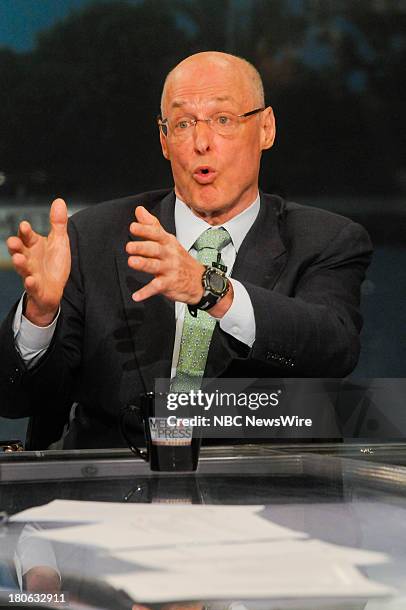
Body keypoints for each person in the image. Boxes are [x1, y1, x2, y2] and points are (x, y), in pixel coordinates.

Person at [0, 52, 372, 449]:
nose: (201, 143)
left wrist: (211, 289)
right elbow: (16, 400)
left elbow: (333, 349)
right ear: (164, 141)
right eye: (182, 124)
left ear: (266, 128)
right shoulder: (92, 237)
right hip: (113, 494)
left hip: (262, 492)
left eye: (223, 120)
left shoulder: (326, 240)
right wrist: (40, 317)